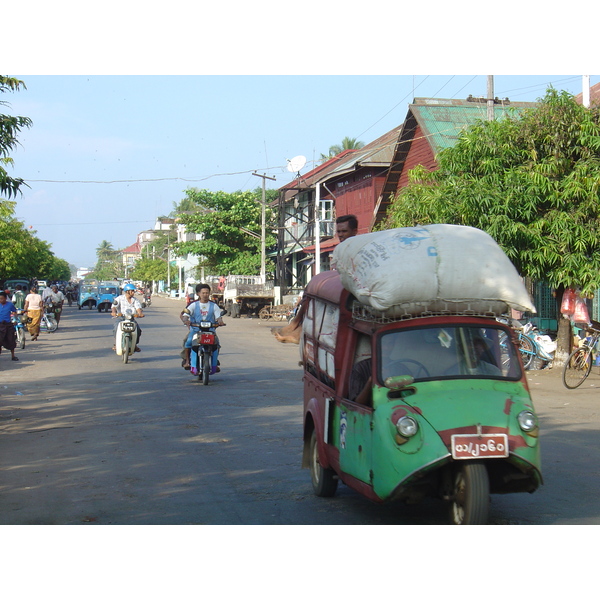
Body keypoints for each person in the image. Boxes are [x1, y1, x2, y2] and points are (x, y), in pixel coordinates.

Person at [273, 215, 359, 345]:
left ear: (354, 231)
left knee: (316, 294)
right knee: (310, 291)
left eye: (344, 231)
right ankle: (295, 325)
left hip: (351, 290)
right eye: (338, 231)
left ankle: (297, 331)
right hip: (341, 286)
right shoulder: (340, 249)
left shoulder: (358, 248)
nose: (340, 235)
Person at [180, 283, 224, 372]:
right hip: (196, 330)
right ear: (198, 294)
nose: (205, 295)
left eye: (207, 293)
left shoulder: (214, 305)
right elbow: (185, 315)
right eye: (203, 293)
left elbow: (218, 317)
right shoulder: (193, 305)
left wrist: (220, 322)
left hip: (210, 330)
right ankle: (187, 361)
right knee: (188, 342)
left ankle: (215, 361)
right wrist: (186, 320)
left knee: (216, 344)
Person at [111, 283, 145, 352]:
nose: (133, 292)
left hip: (131, 318)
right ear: (127, 291)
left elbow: (138, 308)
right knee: (116, 328)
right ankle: (117, 344)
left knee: (138, 330)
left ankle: (135, 344)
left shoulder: (135, 300)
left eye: (133, 291)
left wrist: (140, 314)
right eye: (132, 291)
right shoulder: (120, 298)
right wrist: (114, 312)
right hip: (121, 318)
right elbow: (114, 306)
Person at [0, 291, 19, 361]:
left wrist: (15, 319)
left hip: (8, 325)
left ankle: (13, 355)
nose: (1, 300)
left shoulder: (10, 305)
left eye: (2, 299)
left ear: (5, 298)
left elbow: (14, 312)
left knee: (11, 340)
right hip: (0, 325)